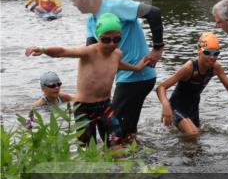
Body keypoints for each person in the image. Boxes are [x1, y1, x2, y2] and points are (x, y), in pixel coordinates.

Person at [65, 0, 164, 138]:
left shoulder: (114, 5)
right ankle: (137, 149)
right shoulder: (92, 22)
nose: (74, 4)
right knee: (124, 130)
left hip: (137, 77)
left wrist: (157, 49)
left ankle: (126, 152)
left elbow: (153, 12)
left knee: (113, 133)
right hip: (126, 77)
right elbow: (92, 59)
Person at [25, 13, 149, 145]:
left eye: (116, 39)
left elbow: (116, 64)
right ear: (98, 37)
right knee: (88, 148)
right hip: (83, 109)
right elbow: (63, 51)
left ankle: (114, 157)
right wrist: (43, 49)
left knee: (116, 144)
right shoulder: (89, 52)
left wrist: (136, 68)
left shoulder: (117, 54)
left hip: (105, 106)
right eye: (106, 40)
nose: (111, 44)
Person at [155, 32, 228, 135]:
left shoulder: (216, 67)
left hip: (193, 107)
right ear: (199, 51)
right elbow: (161, 87)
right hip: (176, 108)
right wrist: (166, 105)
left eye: (216, 53)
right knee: (193, 133)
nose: (212, 57)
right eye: (207, 53)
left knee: (197, 138)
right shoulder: (189, 68)